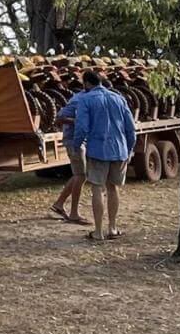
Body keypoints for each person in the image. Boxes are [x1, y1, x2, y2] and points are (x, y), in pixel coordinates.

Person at [73, 70, 136, 242]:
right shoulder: (118, 98)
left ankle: (98, 231)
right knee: (113, 188)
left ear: (86, 83)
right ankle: (113, 228)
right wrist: (129, 148)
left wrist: (76, 145)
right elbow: (131, 129)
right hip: (119, 150)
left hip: (98, 149)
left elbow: (82, 127)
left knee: (96, 188)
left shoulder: (85, 100)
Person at [50, 87, 90, 225]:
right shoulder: (79, 99)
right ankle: (74, 214)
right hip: (74, 140)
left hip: (79, 140)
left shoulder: (85, 98)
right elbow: (60, 117)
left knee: (79, 175)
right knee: (81, 175)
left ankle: (59, 204)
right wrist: (80, 122)